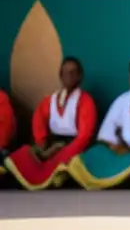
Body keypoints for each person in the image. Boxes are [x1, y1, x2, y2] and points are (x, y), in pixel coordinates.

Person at [68, 56, 130, 190]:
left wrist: (127, 148)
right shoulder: (122, 99)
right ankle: (113, 180)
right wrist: (114, 145)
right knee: (95, 153)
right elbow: (109, 126)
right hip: (117, 148)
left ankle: (117, 180)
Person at [3, 57, 97, 190]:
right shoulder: (51, 100)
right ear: (60, 76)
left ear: (80, 77)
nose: (68, 76)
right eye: (65, 72)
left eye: (73, 72)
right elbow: (39, 118)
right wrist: (42, 142)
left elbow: (84, 136)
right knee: (23, 155)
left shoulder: (85, 101)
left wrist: (63, 153)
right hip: (51, 143)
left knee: (63, 165)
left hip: (73, 146)